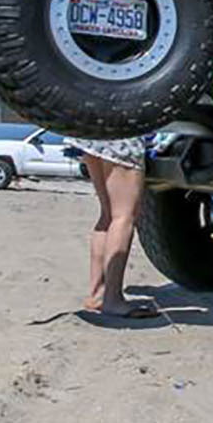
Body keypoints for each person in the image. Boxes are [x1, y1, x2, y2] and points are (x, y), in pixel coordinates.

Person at [70, 135, 159, 318]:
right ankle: (112, 299)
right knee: (123, 217)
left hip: (92, 132)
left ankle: (96, 295)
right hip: (122, 135)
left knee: (108, 215)